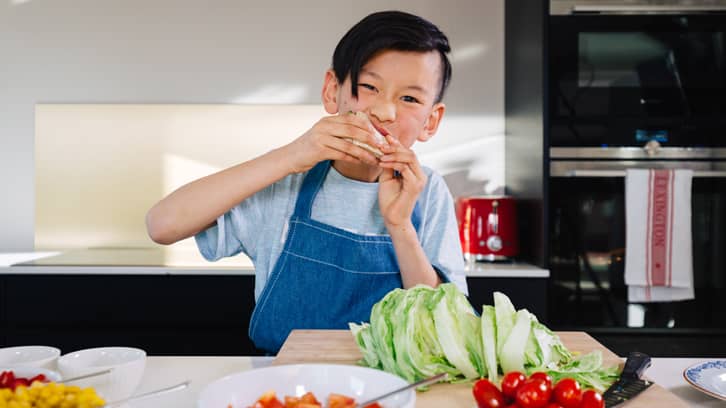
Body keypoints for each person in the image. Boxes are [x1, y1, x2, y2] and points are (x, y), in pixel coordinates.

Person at [145, 10, 468, 353]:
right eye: (369, 87)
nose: (386, 112)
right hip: (287, 387)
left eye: (410, 99)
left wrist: (400, 225)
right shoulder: (287, 181)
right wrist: (291, 156)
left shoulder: (428, 192)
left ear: (431, 121)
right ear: (333, 90)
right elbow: (162, 225)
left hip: (396, 387)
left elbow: (446, 329)